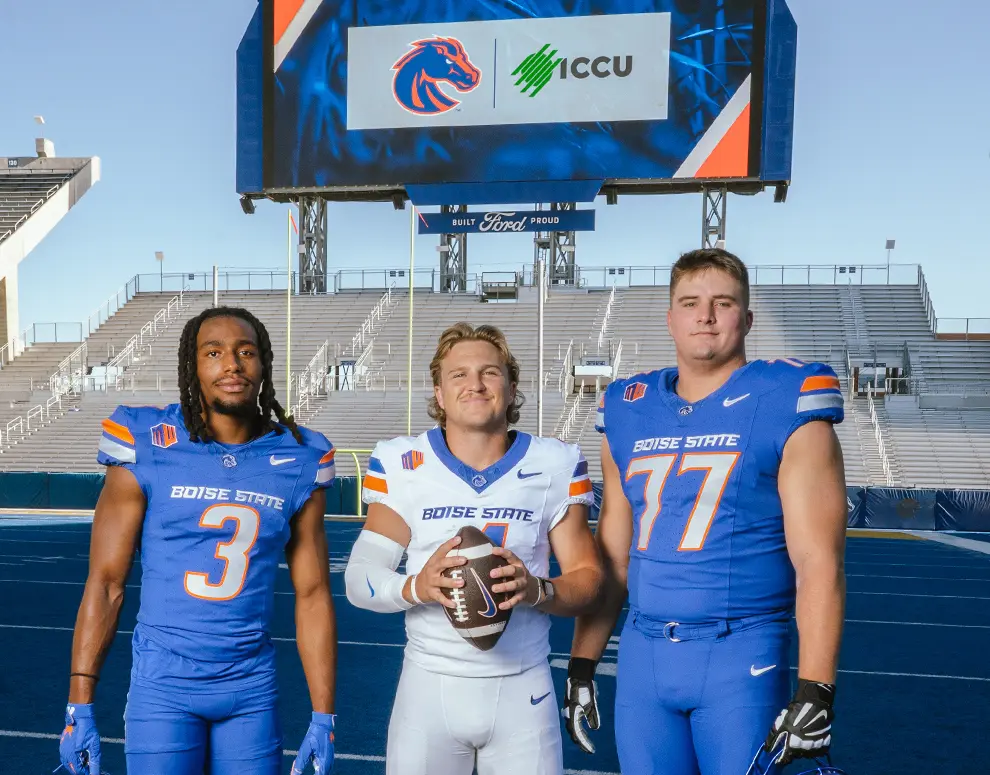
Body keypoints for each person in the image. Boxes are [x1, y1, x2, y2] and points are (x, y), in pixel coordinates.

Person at [563, 248, 848, 773]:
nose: (707, 315)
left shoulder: (786, 397)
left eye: (723, 302)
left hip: (742, 650)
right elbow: (616, 561)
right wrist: (582, 664)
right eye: (690, 302)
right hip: (644, 653)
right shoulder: (626, 407)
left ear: (747, 318)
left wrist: (816, 688)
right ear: (670, 318)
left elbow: (819, 561)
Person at [59, 307, 339, 775]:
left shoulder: (300, 456)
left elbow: (312, 594)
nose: (232, 364)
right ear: (193, 367)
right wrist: (79, 704)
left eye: (246, 352)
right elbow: (106, 581)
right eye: (214, 353)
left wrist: (324, 715)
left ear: (264, 364)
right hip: (162, 684)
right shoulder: (148, 440)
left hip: (251, 685)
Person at [344, 322, 604, 775]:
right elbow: (359, 578)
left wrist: (536, 589)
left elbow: (589, 581)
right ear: (439, 393)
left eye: (490, 372)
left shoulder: (553, 464)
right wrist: (416, 587)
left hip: (523, 689)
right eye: (458, 374)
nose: (475, 384)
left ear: (511, 386)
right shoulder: (406, 464)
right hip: (428, 688)